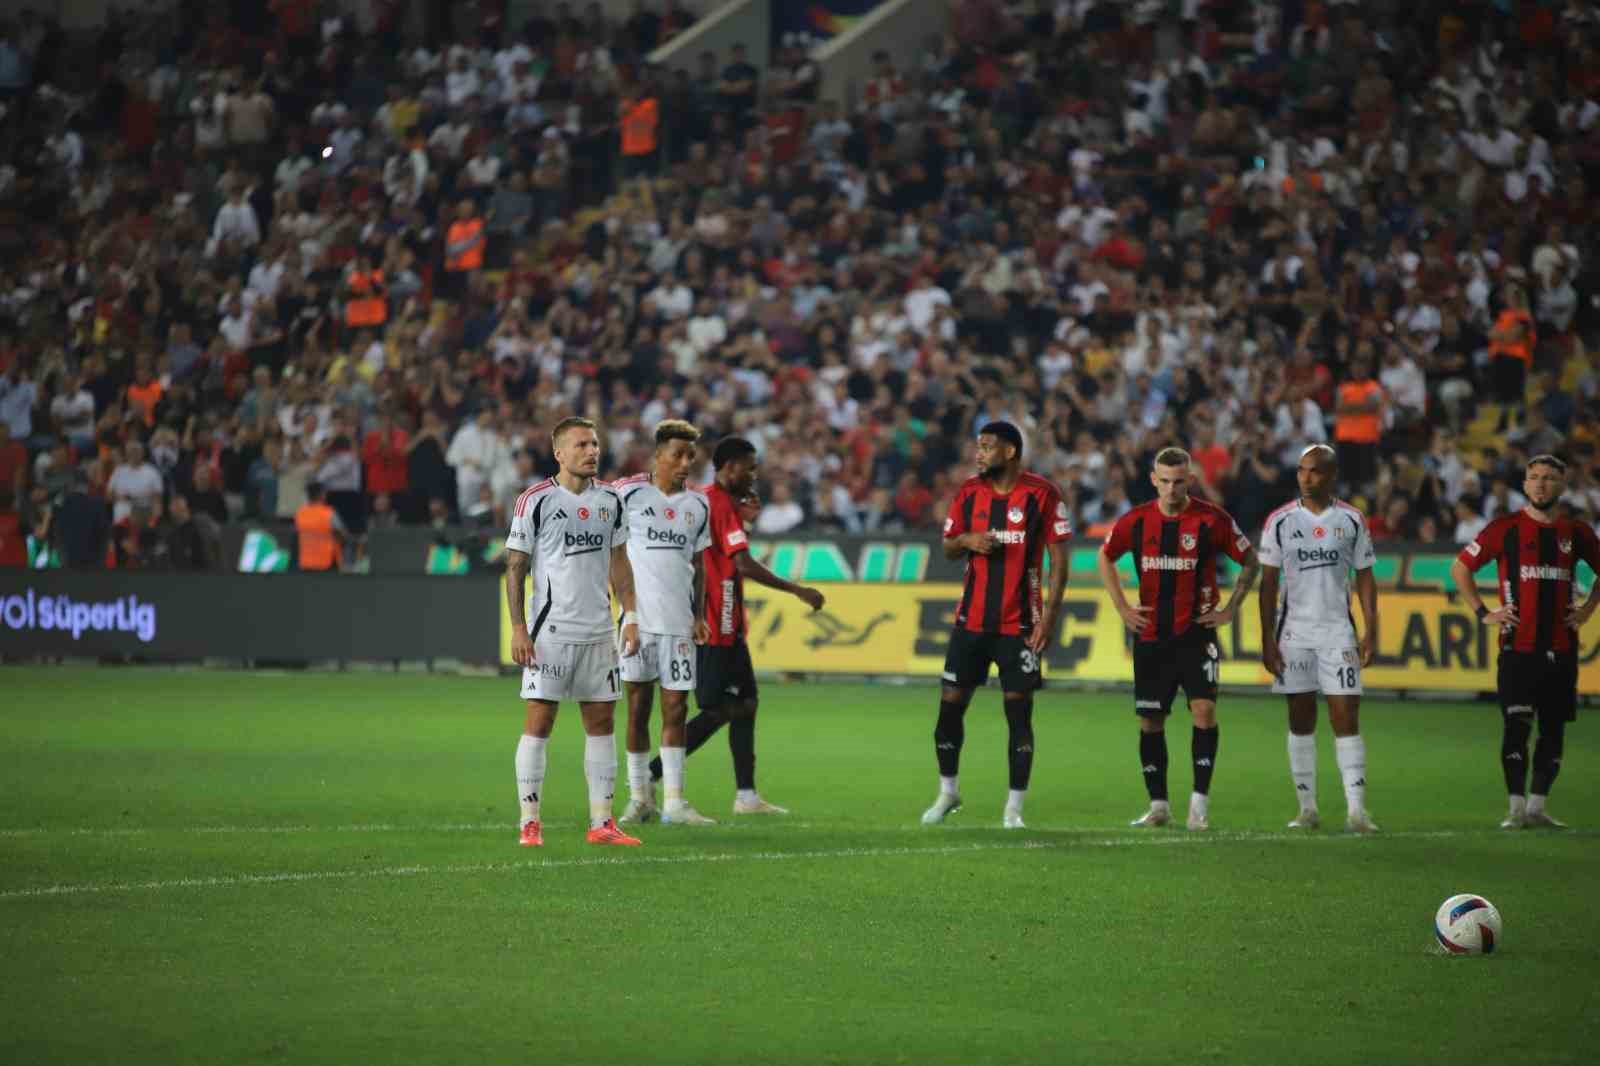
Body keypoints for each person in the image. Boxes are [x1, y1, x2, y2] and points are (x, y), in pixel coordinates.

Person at [644, 436, 825, 814]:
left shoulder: (718, 502)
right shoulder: (720, 503)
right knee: (718, 708)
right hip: (714, 623)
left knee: (746, 704)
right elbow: (741, 564)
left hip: (729, 622)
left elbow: (726, 554)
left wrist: (746, 522)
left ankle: (746, 796)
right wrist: (797, 590)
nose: (754, 474)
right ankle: (652, 774)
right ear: (730, 467)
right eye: (750, 467)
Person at [1097, 447, 1261, 831]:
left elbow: (1251, 560)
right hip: (1152, 636)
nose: (1172, 489)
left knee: (1203, 711)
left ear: (1190, 480)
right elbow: (1107, 556)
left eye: (1179, 481)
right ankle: (1159, 806)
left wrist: (1232, 607)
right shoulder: (1135, 521)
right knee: (1150, 721)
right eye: (1165, 481)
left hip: (1196, 633)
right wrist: (1122, 607)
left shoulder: (1211, 519)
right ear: (1154, 480)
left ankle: (1199, 807)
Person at [920, 421, 1072, 830]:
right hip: (971, 623)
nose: (979, 453)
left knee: (1019, 715)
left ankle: (1013, 808)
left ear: (1010, 452)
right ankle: (948, 791)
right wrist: (968, 539)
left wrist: (1050, 619)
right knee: (950, 707)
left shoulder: (1043, 494)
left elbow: (1060, 560)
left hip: (1020, 626)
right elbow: (949, 547)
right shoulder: (969, 492)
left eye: (987, 447)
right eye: (978, 446)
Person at [506, 416, 642, 848]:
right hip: (551, 633)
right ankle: (530, 821)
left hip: (599, 631)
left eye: (596, 444)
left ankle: (602, 822)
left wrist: (632, 615)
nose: (592, 451)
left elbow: (619, 560)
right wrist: (518, 628)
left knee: (601, 721)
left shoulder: (611, 501)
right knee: (540, 721)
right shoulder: (536, 500)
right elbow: (515, 565)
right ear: (559, 452)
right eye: (582, 444)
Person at [1450, 455, 1600, 829]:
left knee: (1553, 729)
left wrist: (1588, 609)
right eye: (1534, 477)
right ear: (1524, 485)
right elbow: (1460, 567)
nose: (1541, 484)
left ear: (1562, 486)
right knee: (1516, 726)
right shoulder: (1505, 529)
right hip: (1517, 648)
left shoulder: (1576, 532)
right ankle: (1515, 808)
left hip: (1562, 648)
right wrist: (1483, 611)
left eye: (1549, 478)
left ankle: (1537, 807)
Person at [1257, 445, 1382, 834]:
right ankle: (1307, 808)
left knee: (1346, 716)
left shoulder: (1351, 519)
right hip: (1294, 633)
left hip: (1337, 632)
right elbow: (1268, 583)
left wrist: (1371, 628)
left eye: (1314, 471)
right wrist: (1266, 637)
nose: (1305, 477)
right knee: (1300, 717)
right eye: (1301, 471)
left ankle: (1358, 811)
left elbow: (1365, 576)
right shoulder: (1280, 521)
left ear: (1331, 475)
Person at [611, 420, 715, 825]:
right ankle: (639, 797)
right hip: (639, 622)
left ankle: (673, 802)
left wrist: (699, 614)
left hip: (678, 624)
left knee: (676, 707)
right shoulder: (627, 494)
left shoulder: (698, 505)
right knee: (637, 709)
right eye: (679, 454)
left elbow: (700, 564)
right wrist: (628, 614)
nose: (686, 462)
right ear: (658, 455)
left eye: (691, 455)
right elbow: (615, 557)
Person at [294, 481, 345, 571]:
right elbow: (341, 536)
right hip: (328, 563)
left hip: (306, 564)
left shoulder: (299, 514)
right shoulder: (330, 514)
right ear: (323, 495)